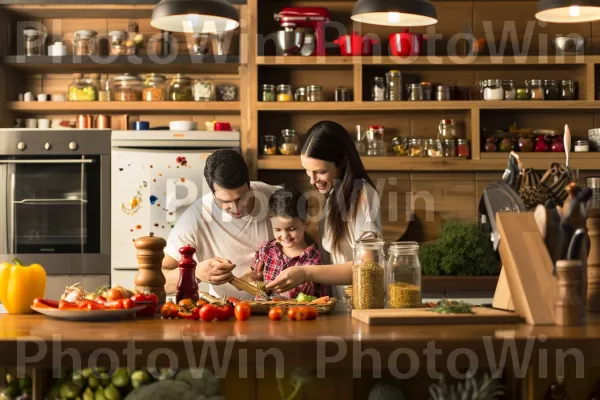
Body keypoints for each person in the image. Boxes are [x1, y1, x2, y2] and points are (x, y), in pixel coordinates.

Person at [266, 121, 382, 298]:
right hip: (343, 305)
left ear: (342, 162)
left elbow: (367, 265)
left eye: (320, 172)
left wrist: (306, 272)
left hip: (364, 304)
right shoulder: (334, 195)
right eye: (307, 171)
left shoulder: (362, 194)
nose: (312, 180)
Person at [162, 149, 279, 298]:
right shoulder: (195, 218)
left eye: (242, 197)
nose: (236, 208)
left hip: (278, 307)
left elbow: (308, 247)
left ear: (248, 184)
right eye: (226, 201)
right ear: (212, 192)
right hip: (226, 310)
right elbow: (157, 281)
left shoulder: (274, 197)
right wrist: (195, 273)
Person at [242, 188, 322, 300]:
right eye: (277, 229)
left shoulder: (314, 259)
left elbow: (320, 299)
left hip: (297, 314)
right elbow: (249, 276)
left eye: (292, 228)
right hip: (264, 314)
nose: (285, 236)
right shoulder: (266, 250)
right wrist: (245, 279)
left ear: (306, 224)